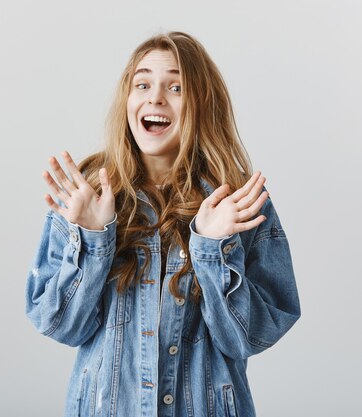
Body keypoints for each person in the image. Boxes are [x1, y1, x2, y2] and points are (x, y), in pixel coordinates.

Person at [24, 31, 300, 417]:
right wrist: (92, 239)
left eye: (175, 86)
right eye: (143, 83)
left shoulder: (238, 203)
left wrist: (211, 248)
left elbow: (249, 338)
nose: (155, 97)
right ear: (128, 100)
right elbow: (59, 326)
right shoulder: (85, 194)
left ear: (202, 103)